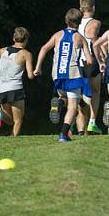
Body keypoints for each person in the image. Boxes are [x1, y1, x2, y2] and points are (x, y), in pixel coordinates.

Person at [34, 8, 94, 141]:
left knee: (63, 96)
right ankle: (63, 133)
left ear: (66, 20)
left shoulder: (58, 35)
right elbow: (89, 60)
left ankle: (59, 103)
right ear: (79, 22)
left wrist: (38, 67)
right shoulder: (80, 38)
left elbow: (44, 48)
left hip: (57, 73)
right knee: (73, 106)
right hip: (73, 74)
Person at [0, 27, 36, 136]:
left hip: (1, 88)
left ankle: (1, 115)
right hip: (15, 87)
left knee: (11, 120)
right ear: (26, 39)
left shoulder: (3, 50)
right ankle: (14, 140)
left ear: (14, 38)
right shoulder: (26, 54)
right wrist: (36, 72)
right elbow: (30, 75)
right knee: (18, 119)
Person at [76, 0, 103, 134]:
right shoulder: (95, 22)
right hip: (89, 61)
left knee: (80, 93)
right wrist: (101, 61)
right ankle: (92, 121)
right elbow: (93, 39)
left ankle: (81, 130)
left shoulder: (74, 22)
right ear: (93, 8)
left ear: (81, 9)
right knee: (95, 91)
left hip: (76, 62)